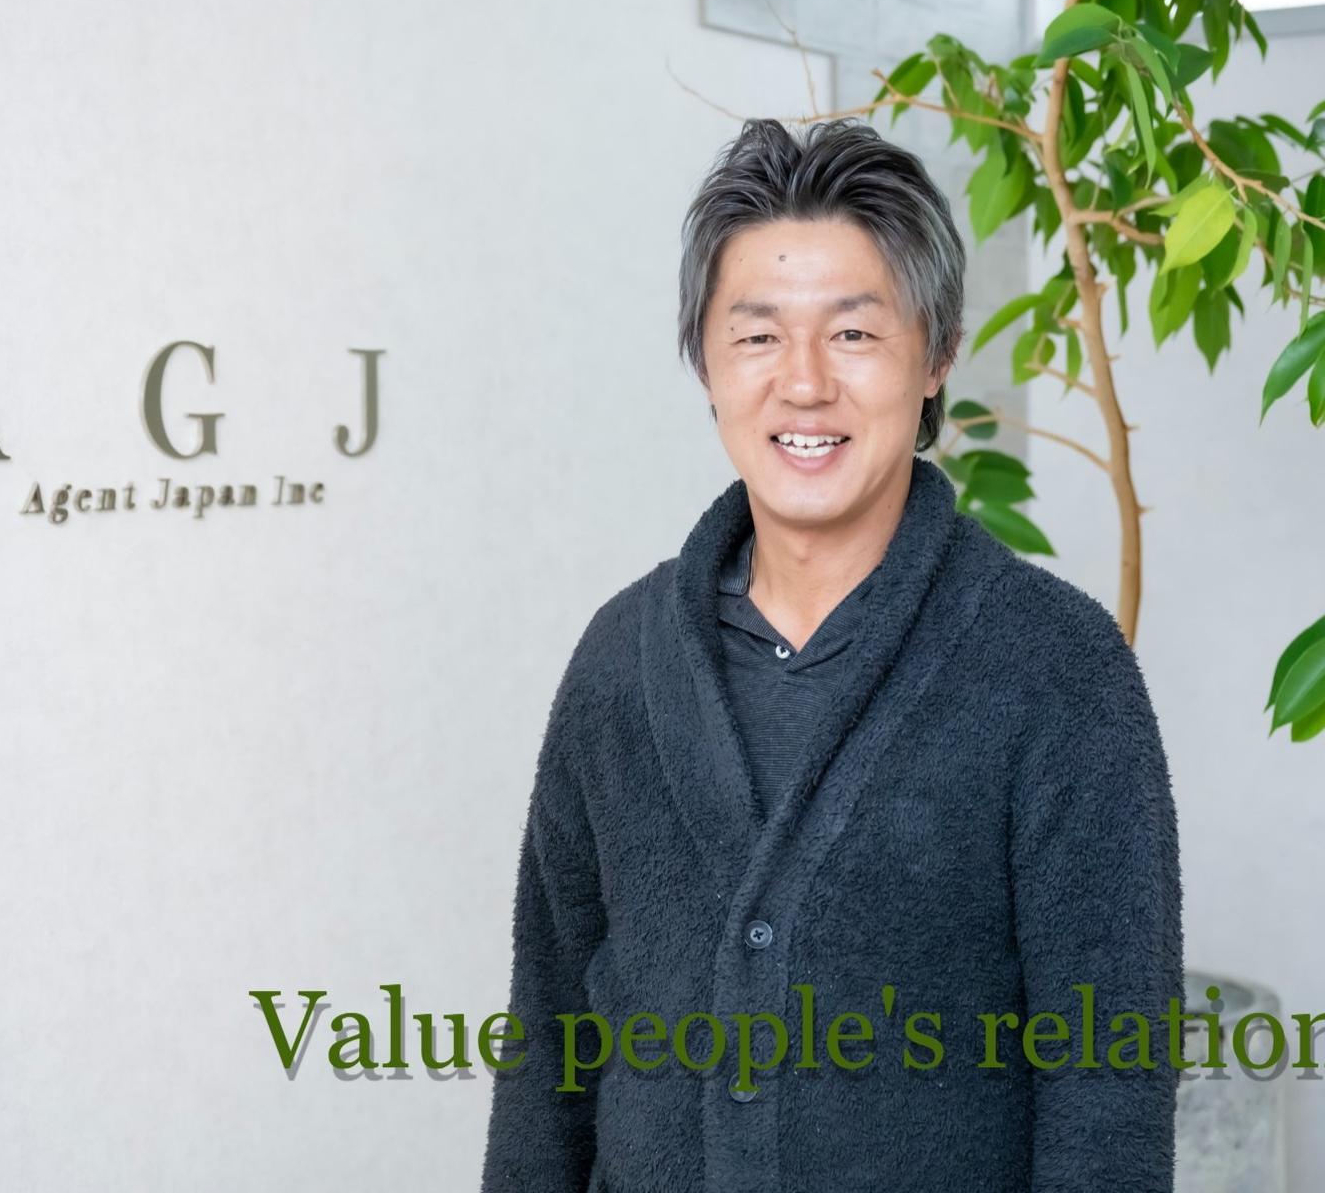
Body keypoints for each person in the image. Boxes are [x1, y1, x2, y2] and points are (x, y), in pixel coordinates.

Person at [480, 117, 1185, 1192]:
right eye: (758, 336)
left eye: (853, 333)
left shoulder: (1056, 670)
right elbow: (548, 1047)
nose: (803, 383)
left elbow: (1109, 1100)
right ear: (706, 363)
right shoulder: (620, 662)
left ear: (937, 355)